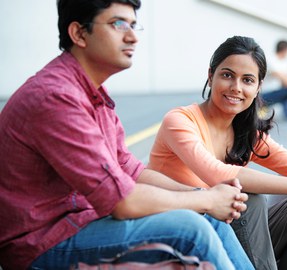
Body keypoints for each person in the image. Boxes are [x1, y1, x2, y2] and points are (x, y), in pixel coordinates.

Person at [0, 1, 253, 269]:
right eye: (118, 24)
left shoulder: (92, 92)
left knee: (207, 218)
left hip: (80, 220)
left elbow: (128, 168)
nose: (132, 36)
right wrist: (207, 199)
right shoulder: (56, 97)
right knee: (189, 227)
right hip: (41, 242)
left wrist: (202, 193)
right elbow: (123, 202)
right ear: (79, 33)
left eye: (133, 25)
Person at [147, 36, 287, 270]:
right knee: (247, 199)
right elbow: (218, 173)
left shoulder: (246, 132)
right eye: (227, 75)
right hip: (186, 234)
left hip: (233, 233)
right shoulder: (180, 121)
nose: (236, 87)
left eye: (247, 80)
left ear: (258, 88)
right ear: (210, 75)